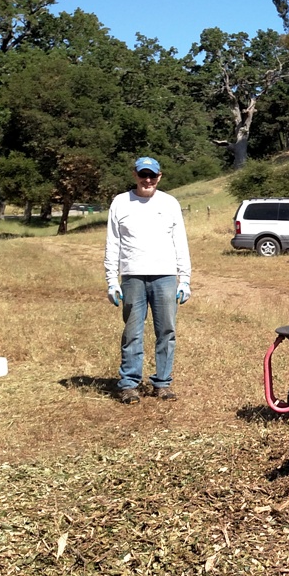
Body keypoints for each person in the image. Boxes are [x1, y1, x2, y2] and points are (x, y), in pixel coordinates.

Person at [104, 156, 192, 404]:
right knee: (133, 332)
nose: (148, 180)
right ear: (135, 175)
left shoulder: (170, 203)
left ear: (159, 176)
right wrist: (112, 280)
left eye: (152, 175)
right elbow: (113, 244)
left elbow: (180, 242)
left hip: (165, 277)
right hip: (132, 278)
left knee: (166, 331)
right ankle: (129, 384)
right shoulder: (120, 203)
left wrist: (184, 279)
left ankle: (162, 383)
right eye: (143, 175)